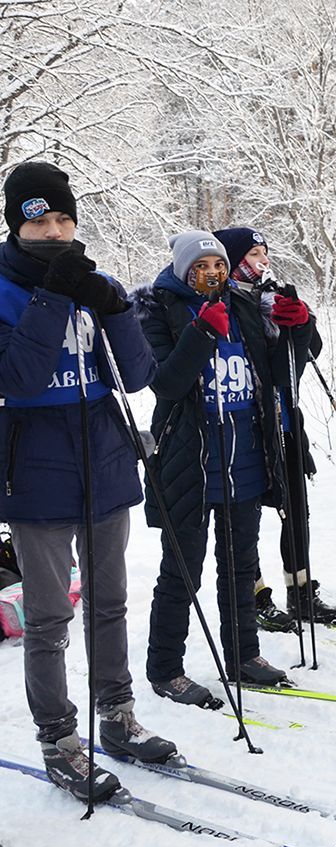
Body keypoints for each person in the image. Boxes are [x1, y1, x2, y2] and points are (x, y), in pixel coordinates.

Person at [0, 162, 176, 802]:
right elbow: (16, 379)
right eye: (40, 221)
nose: (54, 231)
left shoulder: (92, 280)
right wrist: (53, 296)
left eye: (63, 220)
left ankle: (118, 715)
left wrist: (117, 307)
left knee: (109, 602)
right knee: (48, 618)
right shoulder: (3, 289)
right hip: (37, 473)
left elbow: (136, 375)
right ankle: (60, 740)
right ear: (17, 225)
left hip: (104, 461)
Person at [133, 230, 314, 707]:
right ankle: (165, 668)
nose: (212, 273)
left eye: (217, 265)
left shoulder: (243, 306)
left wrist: (299, 330)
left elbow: (282, 376)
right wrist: (202, 332)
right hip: (188, 462)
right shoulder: (158, 310)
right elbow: (166, 383)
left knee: (240, 567)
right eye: (201, 266)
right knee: (182, 572)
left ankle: (243, 656)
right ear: (183, 270)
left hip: (246, 459)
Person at [212, 226, 336, 632]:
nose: (262, 261)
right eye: (251, 254)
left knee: (296, 509)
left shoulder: (275, 294)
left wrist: (300, 321)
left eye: (264, 252)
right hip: (247, 428)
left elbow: (310, 351)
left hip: (285, 420)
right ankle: (256, 595)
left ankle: (301, 591)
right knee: (245, 519)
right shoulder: (222, 302)